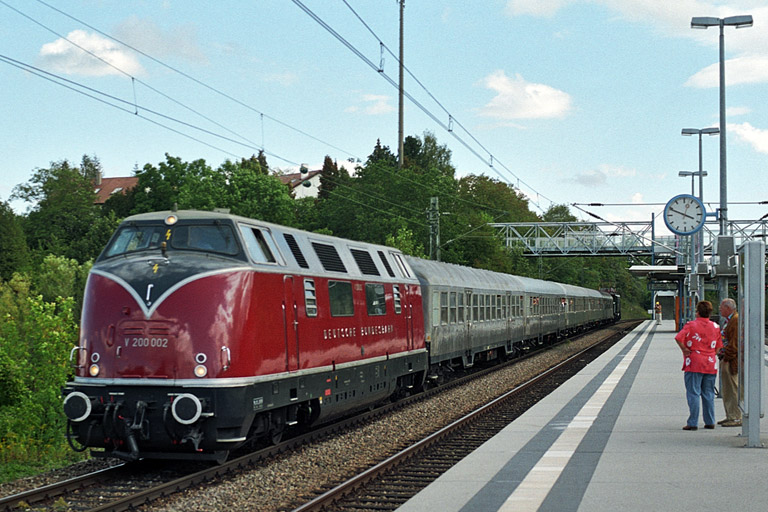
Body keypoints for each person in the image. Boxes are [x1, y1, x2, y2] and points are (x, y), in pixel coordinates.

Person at [674, 300, 722, 431]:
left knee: (693, 392)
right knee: (708, 393)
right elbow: (718, 347)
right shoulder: (715, 327)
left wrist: (684, 349)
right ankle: (710, 421)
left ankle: (693, 422)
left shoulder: (691, 325)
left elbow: (678, 338)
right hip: (710, 363)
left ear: (698, 312)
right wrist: (710, 354)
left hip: (694, 362)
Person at [718, 298, 741, 427]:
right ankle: (730, 415)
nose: (720, 309)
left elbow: (734, 343)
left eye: (721, 307)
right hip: (726, 359)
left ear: (728, 308)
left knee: (732, 388)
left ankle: (735, 416)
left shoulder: (735, 320)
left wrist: (727, 357)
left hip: (730, 360)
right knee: (727, 389)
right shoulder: (731, 320)